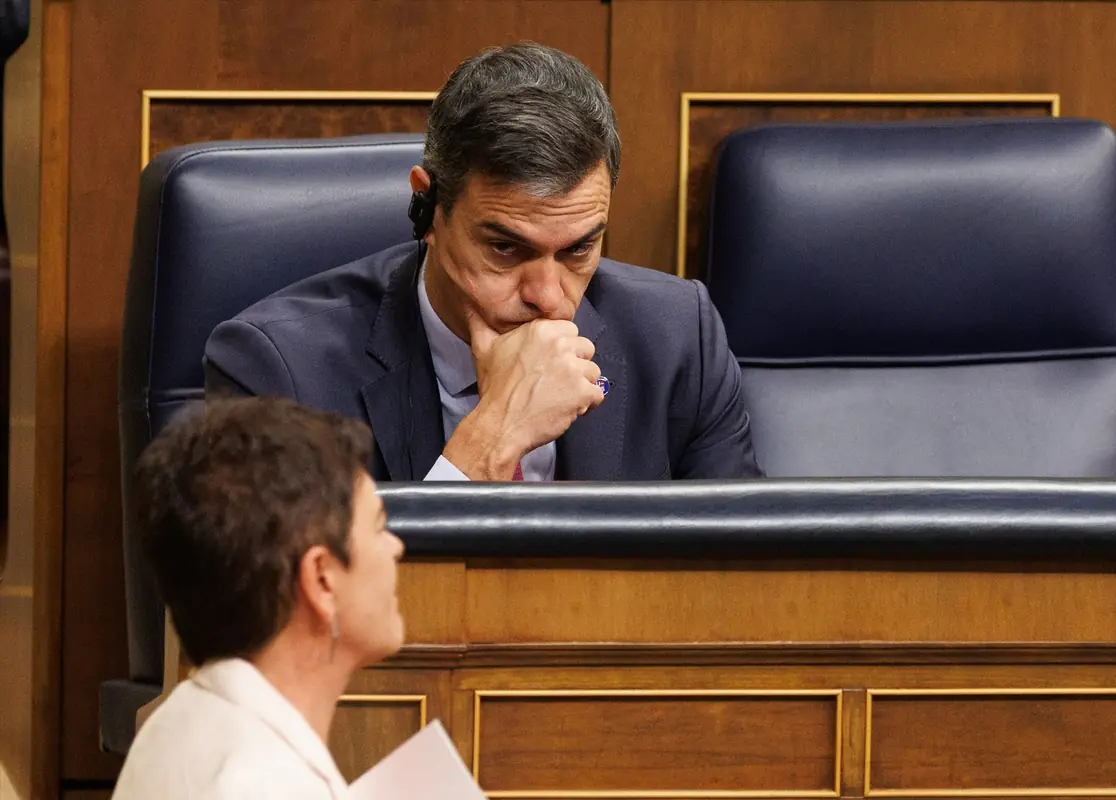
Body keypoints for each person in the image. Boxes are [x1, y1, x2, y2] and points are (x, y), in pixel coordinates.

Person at [204, 42, 763, 483]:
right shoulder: (278, 370)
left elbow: (750, 583)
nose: (549, 297)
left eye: (578, 249)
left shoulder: (676, 340)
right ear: (428, 209)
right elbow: (282, 619)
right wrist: (493, 438)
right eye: (505, 249)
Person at [112, 397, 406, 800]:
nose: (396, 548)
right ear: (321, 579)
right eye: (379, 527)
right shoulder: (267, 784)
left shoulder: (172, 723)